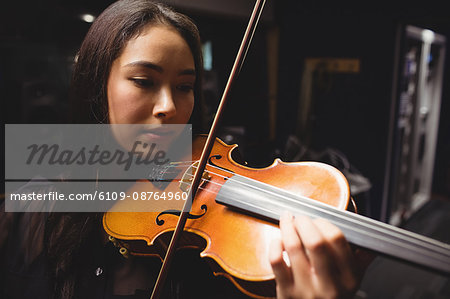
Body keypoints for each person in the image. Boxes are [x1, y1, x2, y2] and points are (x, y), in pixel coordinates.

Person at [1, 1, 366, 298]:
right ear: (98, 85)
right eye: (144, 81)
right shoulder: (34, 209)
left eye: (185, 86)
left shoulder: (203, 257)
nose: (170, 108)